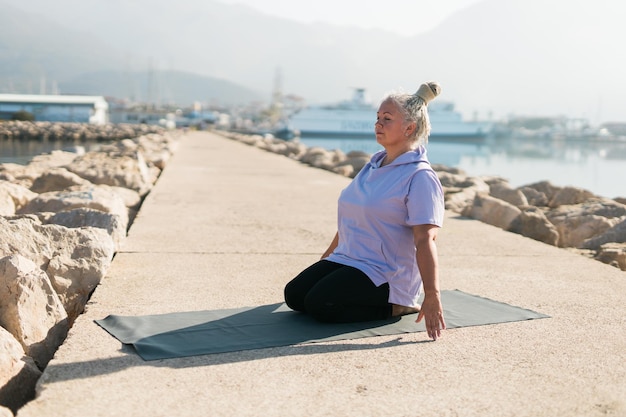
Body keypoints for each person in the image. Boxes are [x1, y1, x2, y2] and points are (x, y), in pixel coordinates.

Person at [284, 81, 446, 341]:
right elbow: (352, 218)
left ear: (409, 128)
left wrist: (432, 295)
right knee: (295, 296)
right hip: (350, 258)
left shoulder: (420, 177)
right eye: (378, 117)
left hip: (384, 271)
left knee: (320, 305)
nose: (378, 124)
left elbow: (426, 238)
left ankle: (400, 304)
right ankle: (340, 281)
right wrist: (326, 261)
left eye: (387, 119)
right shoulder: (373, 165)